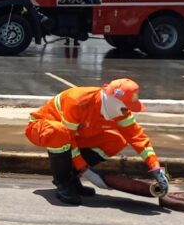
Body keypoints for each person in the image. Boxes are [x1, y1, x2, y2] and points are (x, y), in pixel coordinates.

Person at [25, 78, 168, 205]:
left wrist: (156, 168)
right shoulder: (79, 101)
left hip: (74, 135)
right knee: (59, 132)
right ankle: (63, 183)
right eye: (125, 108)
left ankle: (72, 178)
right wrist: (85, 169)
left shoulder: (119, 110)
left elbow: (137, 137)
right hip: (42, 128)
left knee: (117, 140)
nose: (127, 112)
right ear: (113, 100)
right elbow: (69, 138)